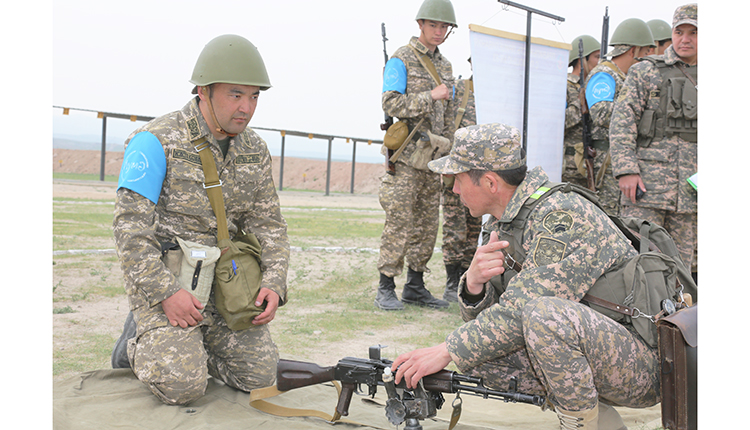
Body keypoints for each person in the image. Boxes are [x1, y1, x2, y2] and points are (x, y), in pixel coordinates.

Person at [391, 123, 660, 430]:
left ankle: (581, 425)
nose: (453, 189)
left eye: (458, 179)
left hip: (643, 366)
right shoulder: (508, 222)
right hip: (602, 352)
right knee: (479, 355)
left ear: (490, 182)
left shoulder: (560, 216)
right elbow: (492, 325)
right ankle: (602, 421)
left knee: (543, 315)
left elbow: (525, 312)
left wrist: (447, 349)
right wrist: (475, 286)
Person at [110, 34, 289, 406]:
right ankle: (138, 343)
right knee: (182, 386)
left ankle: (194, 344)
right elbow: (130, 232)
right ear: (203, 91)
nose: (246, 107)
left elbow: (269, 224)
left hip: (225, 290)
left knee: (260, 376)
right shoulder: (155, 140)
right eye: (235, 94)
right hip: (171, 288)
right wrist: (165, 294)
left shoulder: (254, 149)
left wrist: (274, 282)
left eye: (255, 96)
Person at [375, 0, 458, 310]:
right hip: (407, 157)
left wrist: (449, 152)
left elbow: (448, 115)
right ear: (421, 24)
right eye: (434, 25)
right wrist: (429, 96)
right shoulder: (402, 59)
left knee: (427, 223)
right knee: (400, 222)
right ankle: (386, 286)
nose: (438, 31)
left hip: (433, 157)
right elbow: (391, 102)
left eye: (443, 27)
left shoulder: (446, 66)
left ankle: (415, 284)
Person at [610, 4, 697, 271]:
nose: (685, 39)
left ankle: (679, 313)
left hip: (692, 193)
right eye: (679, 31)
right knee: (638, 262)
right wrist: (626, 171)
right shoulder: (645, 71)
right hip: (645, 190)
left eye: (694, 32)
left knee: (682, 267)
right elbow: (622, 123)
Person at [584, 18, 655, 216]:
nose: (649, 57)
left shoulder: (626, 77)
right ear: (633, 50)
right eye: (646, 51)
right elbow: (600, 113)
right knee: (609, 217)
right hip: (605, 163)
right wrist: (639, 113)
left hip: (620, 159)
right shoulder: (604, 75)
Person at [440, 60, 482, 302]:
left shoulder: (498, 95)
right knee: (455, 227)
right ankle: (452, 281)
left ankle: (468, 278)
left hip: (484, 172)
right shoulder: (460, 89)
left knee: (475, 227)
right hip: (458, 169)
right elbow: (444, 125)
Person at [563, 35, 600, 189]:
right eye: (596, 57)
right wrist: (580, 102)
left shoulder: (596, 86)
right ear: (582, 60)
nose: (600, 62)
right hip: (571, 167)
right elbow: (561, 121)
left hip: (591, 162)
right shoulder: (565, 85)